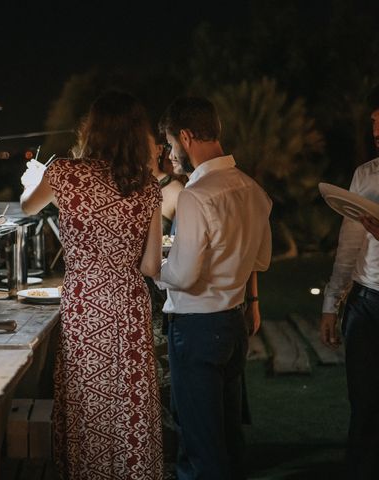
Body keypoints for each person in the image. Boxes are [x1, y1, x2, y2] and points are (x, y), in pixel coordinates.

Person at [20, 90, 164, 479]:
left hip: (85, 304)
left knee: (89, 406)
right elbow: (151, 266)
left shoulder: (65, 173)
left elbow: (26, 207)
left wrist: (32, 178)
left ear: (92, 129)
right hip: (130, 304)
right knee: (128, 404)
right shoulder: (149, 187)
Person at [158, 96, 272, 480]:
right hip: (233, 325)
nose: (173, 153)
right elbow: (261, 260)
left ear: (187, 137)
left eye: (173, 144)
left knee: (199, 449)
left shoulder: (195, 195)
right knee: (227, 440)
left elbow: (185, 276)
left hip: (195, 330)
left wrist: (155, 267)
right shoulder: (254, 191)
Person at [320, 83, 379, 480]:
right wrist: (331, 303)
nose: (376, 130)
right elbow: (348, 245)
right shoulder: (365, 174)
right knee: (364, 402)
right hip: (365, 302)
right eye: (374, 123)